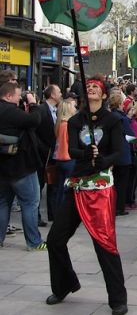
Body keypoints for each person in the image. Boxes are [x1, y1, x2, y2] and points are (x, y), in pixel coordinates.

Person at [46, 75, 128, 315]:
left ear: (103, 95)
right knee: (55, 240)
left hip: (100, 188)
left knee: (105, 244)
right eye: (89, 86)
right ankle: (64, 285)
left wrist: (103, 160)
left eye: (97, 87)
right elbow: (70, 149)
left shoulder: (112, 120)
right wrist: (85, 153)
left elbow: (119, 152)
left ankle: (117, 299)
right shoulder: (76, 120)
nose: (92, 89)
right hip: (77, 184)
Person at [0, 82, 45, 250]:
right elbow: (35, 120)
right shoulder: (11, 112)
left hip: (2, 168)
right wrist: (33, 103)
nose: (20, 98)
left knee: (3, 203)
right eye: (18, 95)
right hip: (21, 166)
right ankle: (34, 242)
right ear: (8, 96)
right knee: (30, 202)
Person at [36, 84, 62, 224]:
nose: (61, 93)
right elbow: (35, 133)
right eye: (58, 91)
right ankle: (36, 216)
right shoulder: (40, 110)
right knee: (39, 187)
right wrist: (44, 149)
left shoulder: (57, 111)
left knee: (53, 184)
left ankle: (53, 214)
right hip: (42, 155)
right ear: (52, 95)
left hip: (54, 155)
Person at [52, 98, 78, 212]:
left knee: (60, 189)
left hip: (59, 159)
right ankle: (63, 214)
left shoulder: (59, 123)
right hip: (68, 158)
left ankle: (58, 212)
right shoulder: (68, 125)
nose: (75, 108)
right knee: (67, 189)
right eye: (73, 106)